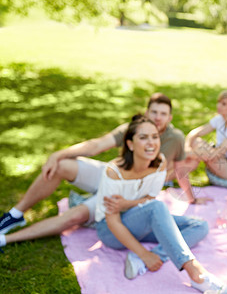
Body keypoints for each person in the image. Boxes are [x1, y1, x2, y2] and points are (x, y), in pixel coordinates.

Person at [0, 93, 209, 238]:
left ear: (170, 117)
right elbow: (96, 145)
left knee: (77, 216)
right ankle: (16, 215)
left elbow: (180, 171)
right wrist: (58, 154)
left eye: (163, 114)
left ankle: (11, 238)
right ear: (146, 112)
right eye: (154, 112)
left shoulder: (177, 138)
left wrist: (191, 197)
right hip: (112, 174)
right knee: (62, 164)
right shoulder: (131, 129)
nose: (158, 117)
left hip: (129, 194)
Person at [92, 115, 227, 293]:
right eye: (143, 137)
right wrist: (143, 252)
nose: (151, 142)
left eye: (154, 136)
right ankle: (195, 272)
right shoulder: (114, 172)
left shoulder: (160, 163)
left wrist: (127, 204)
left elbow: (148, 199)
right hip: (110, 231)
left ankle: (143, 260)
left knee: (200, 226)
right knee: (158, 207)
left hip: (140, 221)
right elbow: (113, 221)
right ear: (130, 144)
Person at [184, 90, 227, 187]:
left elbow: (218, 152)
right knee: (196, 143)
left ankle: (172, 169)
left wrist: (186, 154)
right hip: (222, 159)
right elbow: (194, 133)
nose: (219, 106)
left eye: (223, 104)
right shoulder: (220, 119)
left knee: (201, 150)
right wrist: (187, 148)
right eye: (219, 102)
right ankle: (174, 171)